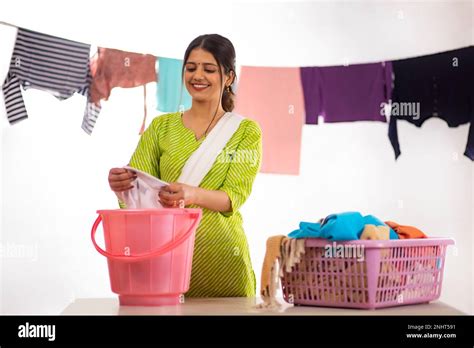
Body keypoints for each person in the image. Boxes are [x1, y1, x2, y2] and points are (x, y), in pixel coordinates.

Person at [108, 34, 262, 297]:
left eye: (209, 69)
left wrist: (191, 194)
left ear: (229, 78)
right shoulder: (161, 127)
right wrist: (121, 185)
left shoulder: (245, 131)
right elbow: (137, 194)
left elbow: (234, 196)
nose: (197, 76)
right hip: (164, 260)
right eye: (191, 68)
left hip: (224, 261)